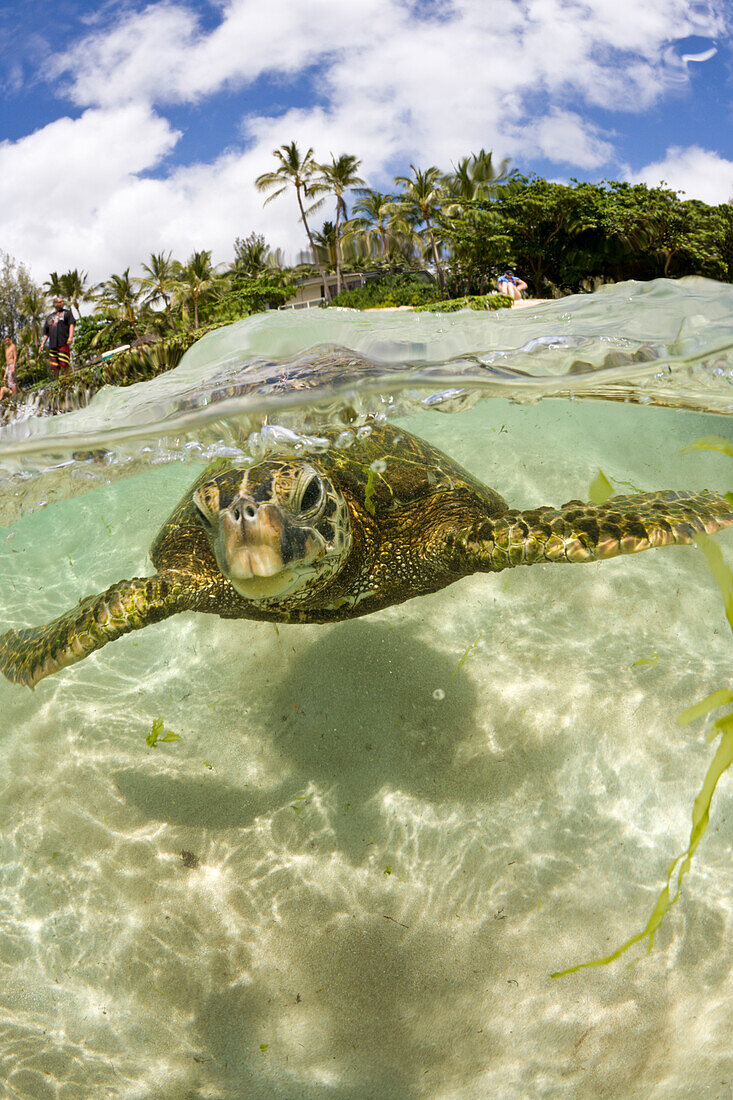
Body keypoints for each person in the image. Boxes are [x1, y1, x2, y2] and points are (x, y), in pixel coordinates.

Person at [40, 296, 75, 380]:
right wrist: (42, 344)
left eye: (62, 301)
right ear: (55, 304)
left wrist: (70, 337)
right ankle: (56, 381)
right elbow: (46, 333)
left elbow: (71, 324)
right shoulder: (49, 317)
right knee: (55, 365)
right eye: (60, 302)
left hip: (63, 341)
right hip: (53, 344)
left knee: (65, 361)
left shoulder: (67, 313)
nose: (62, 303)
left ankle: (67, 378)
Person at [0, 335, 18, 401]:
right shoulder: (6, 349)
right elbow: (7, 361)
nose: (6, 341)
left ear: (10, 340)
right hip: (8, 366)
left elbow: (15, 357)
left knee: (12, 382)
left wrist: (13, 367)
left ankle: (15, 398)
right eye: (5, 341)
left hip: (12, 365)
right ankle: (16, 396)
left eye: (8, 340)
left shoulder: (13, 346)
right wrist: (5, 373)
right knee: (9, 382)